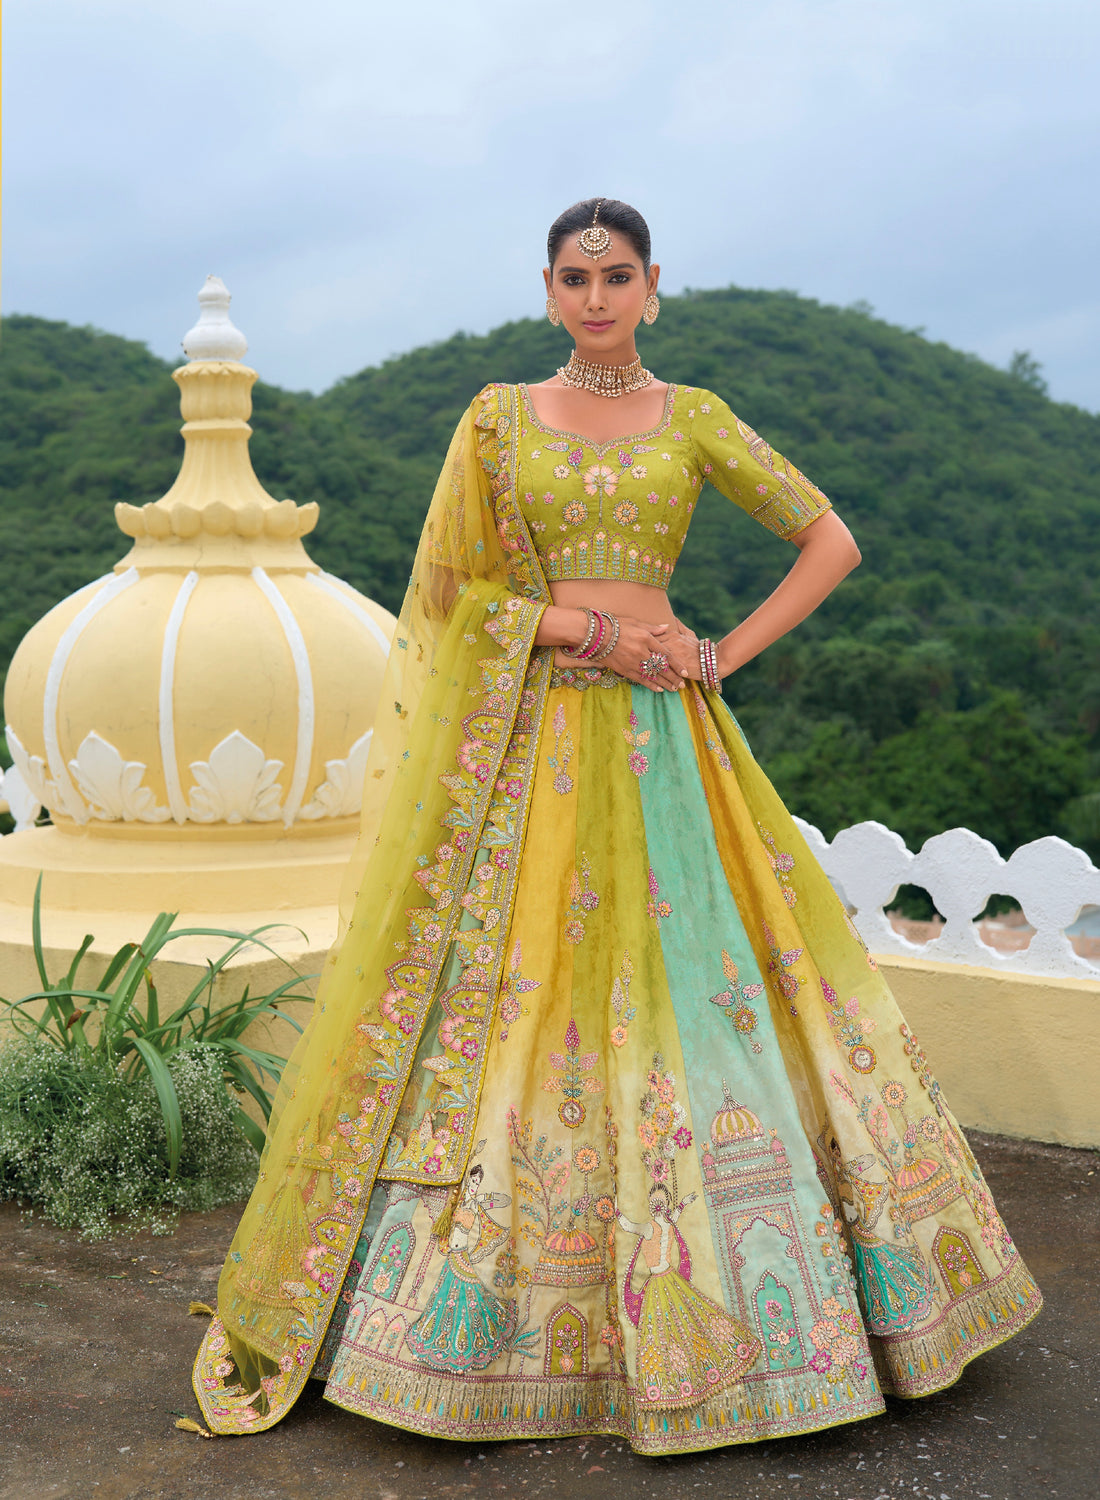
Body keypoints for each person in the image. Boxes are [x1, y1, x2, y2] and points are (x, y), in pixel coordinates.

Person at [192, 197, 1041, 1453]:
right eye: (575, 277)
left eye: (618, 275)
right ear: (546, 289)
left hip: (663, 743)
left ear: (653, 287)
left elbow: (830, 539)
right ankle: (474, 1327)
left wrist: (715, 654)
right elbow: (448, 595)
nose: (596, 296)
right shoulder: (494, 420)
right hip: (529, 740)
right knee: (516, 997)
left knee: (706, 987)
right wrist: (584, 631)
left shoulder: (691, 418)